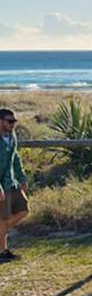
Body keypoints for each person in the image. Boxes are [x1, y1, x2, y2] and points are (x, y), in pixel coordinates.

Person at [0, 108, 30, 262]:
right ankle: (3, 251)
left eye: (14, 121)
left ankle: (2, 240)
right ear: (1, 122)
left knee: (24, 209)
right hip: (1, 185)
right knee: (3, 218)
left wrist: (22, 177)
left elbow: (15, 158)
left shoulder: (12, 137)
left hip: (11, 181)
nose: (13, 124)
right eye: (9, 121)